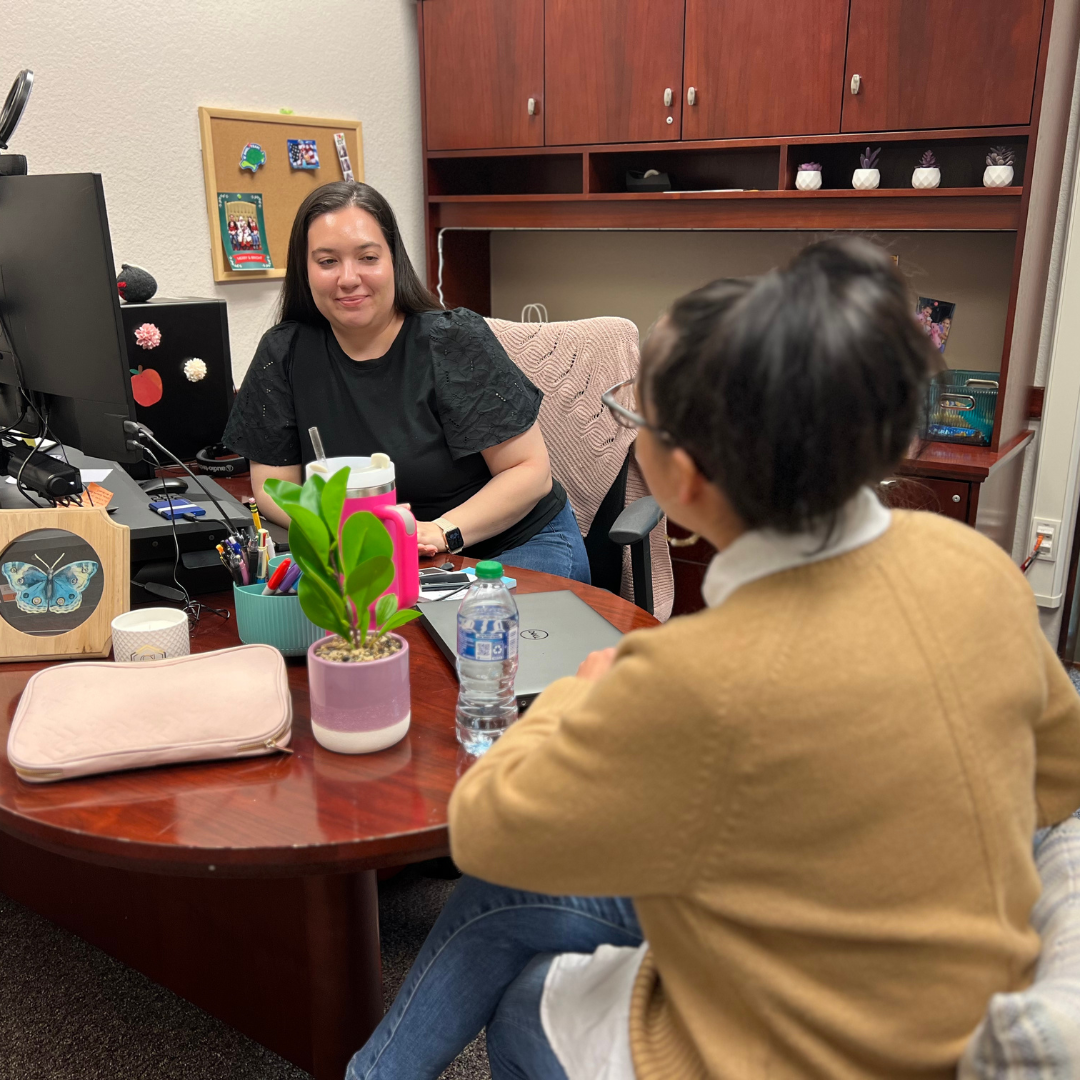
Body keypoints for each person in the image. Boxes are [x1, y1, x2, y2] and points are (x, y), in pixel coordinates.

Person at [346, 238, 1080, 1080]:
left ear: (683, 478)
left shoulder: (690, 679)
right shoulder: (979, 570)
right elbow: (1059, 783)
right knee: (514, 902)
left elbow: (482, 829)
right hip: (943, 982)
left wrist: (577, 699)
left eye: (631, 421)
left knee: (526, 1001)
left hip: (791, 1044)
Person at [222, 181, 589, 580]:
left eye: (367, 257)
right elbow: (276, 489)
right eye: (327, 261)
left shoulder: (452, 340)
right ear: (304, 269)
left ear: (393, 260)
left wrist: (439, 532)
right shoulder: (284, 353)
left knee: (476, 638)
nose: (348, 278)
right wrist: (341, 533)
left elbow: (529, 471)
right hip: (374, 558)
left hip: (509, 544)